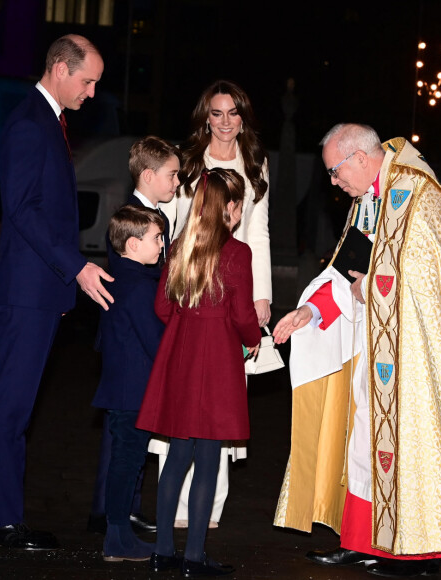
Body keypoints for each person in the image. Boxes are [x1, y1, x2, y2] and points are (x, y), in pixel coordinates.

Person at [272, 123, 441, 577]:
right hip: (377, 344)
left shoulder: (419, 198)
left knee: (412, 443)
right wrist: (311, 312)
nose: (333, 182)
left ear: (360, 159)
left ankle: (415, 551)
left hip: (419, 355)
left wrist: (372, 291)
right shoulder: (370, 199)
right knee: (364, 441)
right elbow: (350, 269)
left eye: (335, 172)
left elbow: (430, 285)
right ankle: (364, 540)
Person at [0, 35, 113, 550]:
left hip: (37, 290)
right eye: (87, 80)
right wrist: (77, 267)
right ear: (59, 68)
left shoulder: (46, 120)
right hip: (28, 290)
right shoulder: (31, 123)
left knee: (16, 407)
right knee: (10, 407)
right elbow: (24, 210)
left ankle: (0, 515)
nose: (92, 92)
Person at [156, 79, 272, 528]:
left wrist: (260, 297)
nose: (225, 123)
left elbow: (258, 232)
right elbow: (170, 221)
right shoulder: (187, 159)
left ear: (243, 117)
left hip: (234, 288)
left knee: (224, 405)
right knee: (182, 400)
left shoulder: (257, 163)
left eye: (233, 113)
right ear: (207, 116)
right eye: (217, 113)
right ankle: (177, 512)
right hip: (189, 285)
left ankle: (208, 512)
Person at [137, 168, 262, 577]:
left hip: (182, 354)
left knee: (176, 456)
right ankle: (193, 557)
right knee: (208, 459)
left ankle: (161, 552)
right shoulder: (237, 252)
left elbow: (160, 308)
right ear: (229, 207)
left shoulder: (178, 247)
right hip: (219, 357)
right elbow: (244, 314)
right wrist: (252, 337)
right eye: (239, 204)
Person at [87, 136, 181, 536]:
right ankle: (111, 516)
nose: (177, 181)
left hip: (131, 348)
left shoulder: (153, 217)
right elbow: (136, 297)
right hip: (132, 354)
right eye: (172, 174)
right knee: (124, 445)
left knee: (128, 444)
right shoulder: (135, 221)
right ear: (149, 175)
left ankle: (119, 511)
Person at [91, 206, 166, 562]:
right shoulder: (138, 286)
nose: (162, 244)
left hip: (121, 384)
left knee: (127, 460)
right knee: (127, 462)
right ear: (133, 245)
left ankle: (118, 537)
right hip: (132, 388)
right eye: (156, 238)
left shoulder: (118, 278)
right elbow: (155, 341)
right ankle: (117, 538)